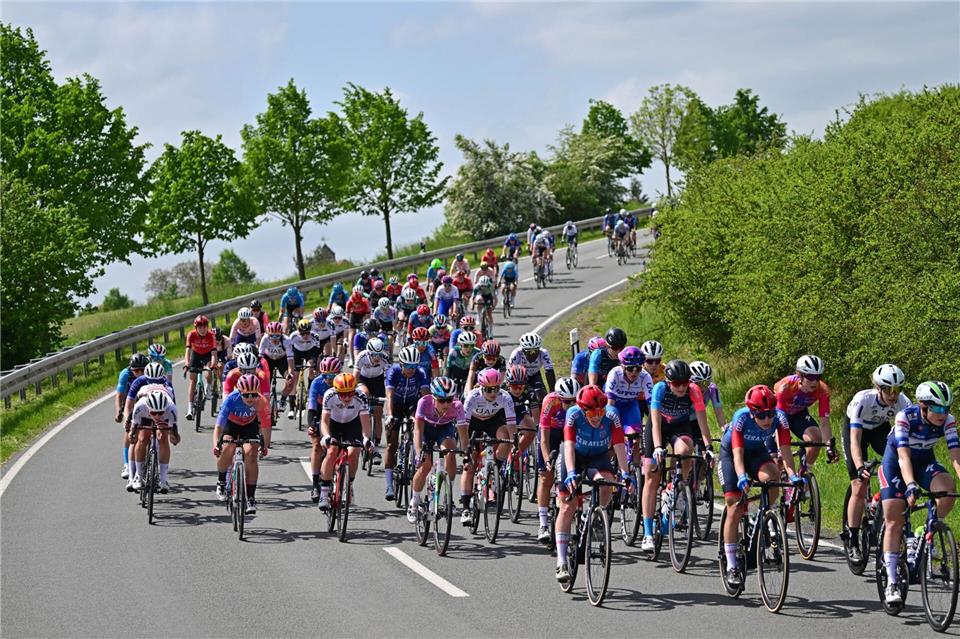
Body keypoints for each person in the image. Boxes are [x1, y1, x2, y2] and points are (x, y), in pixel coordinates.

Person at [880, 381, 958, 604]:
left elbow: (955, 457)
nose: (944, 414)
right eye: (939, 409)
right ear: (923, 406)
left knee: (947, 489)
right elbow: (904, 457)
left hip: (924, 462)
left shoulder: (948, 422)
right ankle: (892, 581)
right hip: (896, 463)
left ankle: (924, 531)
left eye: (947, 408)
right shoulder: (905, 417)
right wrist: (911, 485)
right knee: (894, 519)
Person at [718, 385, 801, 589]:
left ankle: (762, 513)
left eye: (770, 414)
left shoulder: (780, 419)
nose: (767, 420)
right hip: (731, 455)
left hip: (756, 454)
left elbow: (785, 451)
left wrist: (793, 475)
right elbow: (737, 454)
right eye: (762, 415)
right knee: (735, 506)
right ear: (752, 412)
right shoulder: (741, 418)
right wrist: (741, 477)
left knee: (773, 477)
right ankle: (732, 566)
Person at [554, 384, 632, 583]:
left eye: (600, 411)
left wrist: (625, 473)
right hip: (574, 457)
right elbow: (569, 446)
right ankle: (562, 561)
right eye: (592, 413)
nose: (597, 416)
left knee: (606, 485)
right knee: (567, 505)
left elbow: (619, 445)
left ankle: (596, 518)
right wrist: (571, 473)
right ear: (583, 410)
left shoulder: (612, 415)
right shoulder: (573, 415)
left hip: (598, 457)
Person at [641, 359, 713, 552]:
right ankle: (647, 533)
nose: (681, 387)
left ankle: (675, 487)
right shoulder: (660, 389)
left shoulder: (694, 390)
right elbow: (655, 422)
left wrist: (708, 447)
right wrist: (657, 447)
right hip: (659, 427)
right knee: (651, 475)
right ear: (669, 381)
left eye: (684, 383)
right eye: (676, 383)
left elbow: (702, 423)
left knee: (685, 450)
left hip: (679, 425)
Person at [842, 364, 910, 563]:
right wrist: (860, 466)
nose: (893, 395)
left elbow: (907, 437)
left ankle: (882, 506)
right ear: (878, 388)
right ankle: (853, 539)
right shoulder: (862, 400)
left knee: (899, 462)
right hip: (856, 431)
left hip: (881, 429)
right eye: (888, 390)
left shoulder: (903, 403)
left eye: (897, 390)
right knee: (859, 485)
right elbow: (854, 440)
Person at [460, 369, 517, 525]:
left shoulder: (505, 397)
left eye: (496, 388)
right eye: (489, 389)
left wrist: (514, 443)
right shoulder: (473, 396)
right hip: (473, 422)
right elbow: (463, 426)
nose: (493, 393)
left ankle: (494, 470)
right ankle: (465, 508)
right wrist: (466, 448)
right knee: (469, 463)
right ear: (481, 387)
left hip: (493, 420)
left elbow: (511, 424)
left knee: (505, 439)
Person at [408, 377, 466, 523]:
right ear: (433, 397)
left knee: (451, 454)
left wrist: (466, 454)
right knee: (425, 465)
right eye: (441, 400)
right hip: (426, 430)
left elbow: (463, 434)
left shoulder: (458, 406)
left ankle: (448, 496)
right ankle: (414, 503)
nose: (446, 404)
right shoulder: (424, 402)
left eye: (449, 400)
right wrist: (419, 451)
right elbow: (418, 431)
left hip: (444, 428)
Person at [213, 374, 271, 514]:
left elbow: (266, 426)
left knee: (251, 454)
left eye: (253, 394)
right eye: (246, 395)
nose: (250, 398)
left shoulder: (261, 401)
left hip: (249, 426)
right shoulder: (231, 399)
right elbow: (219, 426)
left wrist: (265, 446)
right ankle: (221, 481)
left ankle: (251, 497)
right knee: (227, 447)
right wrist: (216, 444)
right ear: (240, 392)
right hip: (231, 425)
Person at [316, 373, 375, 510]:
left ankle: (349, 485)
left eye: (350, 393)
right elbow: (324, 421)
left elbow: (365, 421)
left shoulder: (360, 397)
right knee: (331, 451)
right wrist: (325, 436)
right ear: (336, 391)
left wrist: (366, 438)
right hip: (334, 424)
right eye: (342, 395)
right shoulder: (329, 395)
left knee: (354, 452)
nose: (347, 398)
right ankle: (324, 493)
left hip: (352, 424)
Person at [536, 377, 580, 543]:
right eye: (566, 401)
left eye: (573, 401)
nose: (570, 404)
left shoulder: (579, 403)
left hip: (569, 432)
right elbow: (544, 437)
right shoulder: (550, 401)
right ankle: (543, 524)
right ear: (559, 398)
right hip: (552, 432)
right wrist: (547, 459)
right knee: (546, 477)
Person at [383, 346, 431, 500]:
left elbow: (425, 398)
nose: (411, 370)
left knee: (416, 424)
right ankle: (389, 485)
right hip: (395, 406)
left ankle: (410, 451)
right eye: (408, 366)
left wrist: (426, 416)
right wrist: (390, 415)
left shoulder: (421, 373)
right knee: (391, 445)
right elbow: (389, 396)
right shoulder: (393, 371)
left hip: (412, 405)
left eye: (414, 366)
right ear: (401, 364)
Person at [773, 355, 839, 466]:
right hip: (777, 416)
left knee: (816, 438)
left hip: (798, 414)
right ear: (800, 376)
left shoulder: (823, 390)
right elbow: (780, 418)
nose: (815, 382)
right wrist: (781, 448)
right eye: (810, 377)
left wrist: (829, 447)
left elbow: (824, 422)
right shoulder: (785, 386)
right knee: (778, 462)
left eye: (818, 377)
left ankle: (804, 471)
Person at [604, 346, 652, 461]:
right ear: (622, 366)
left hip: (630, 406)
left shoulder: (645, 377)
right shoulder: (614, 374)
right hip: (613, 404)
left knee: (635, 440)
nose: (634, 372)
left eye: (638, 368)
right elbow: (610, 405)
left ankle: (635, 473)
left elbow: (652, 406)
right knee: (609, 443)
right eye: (630, 368)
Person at [127, 390, 180, 494]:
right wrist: (132, 435)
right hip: (144, 417)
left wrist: (174, 437)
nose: (157, 416)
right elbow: (134, 429)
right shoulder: (140, 406)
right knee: (142, 439)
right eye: (154, 413)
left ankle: (163, 479)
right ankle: (138, 475)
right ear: (148, 408)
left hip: (165, 419)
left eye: (160, 413)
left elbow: (174, 433)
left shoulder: (171, 408)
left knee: (163, 438)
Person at [306, 357, 342, 502]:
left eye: (332, 376)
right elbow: (312, 406)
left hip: (338, 414)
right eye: (325, 375)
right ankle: (315, 484)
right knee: (316, 446)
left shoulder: (344, 381)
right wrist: (311, 425)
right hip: (320, 412)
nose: (328, 379)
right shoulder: (317, 383)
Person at [508, 332, 556, 421]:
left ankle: (542, 420)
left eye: (535, 351)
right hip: (520, 377)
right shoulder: (516, 353)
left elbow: (549, 372)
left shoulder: (544, 353)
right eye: (529, 352)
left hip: (535, 374)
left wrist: (552, 392)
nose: (532, 354)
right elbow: (511, 373)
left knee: (541, 395)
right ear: (523, 350)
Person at [184, 315, 218, 421]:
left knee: (208, 372)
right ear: (196, 328)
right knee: (192, 380)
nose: (202, 329)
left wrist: (213, 364)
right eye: (200, 327)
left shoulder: (211, 335)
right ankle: (189, 408)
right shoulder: (191, 335)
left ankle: (208, 388)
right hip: (196, 354)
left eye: (204, 327)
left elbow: (213, 353)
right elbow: (188, 351)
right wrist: (186, 364)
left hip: (208, 354)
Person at [286, 318, 321, 418]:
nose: (305, 336)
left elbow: (317, 353)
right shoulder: (293, 336)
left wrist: (315, 366)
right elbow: (289, 351)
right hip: (297, 353)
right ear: (298, 331)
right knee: (294, 377)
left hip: (310, 352)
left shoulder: (315, 336)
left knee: (311, 367)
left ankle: (310, 389)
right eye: (302, 333)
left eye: (307, 333)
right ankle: (291, 408)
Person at [259, 322, 295, 406]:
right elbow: (260, 357)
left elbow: (290, 359)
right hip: (268, 360)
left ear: (281, 334)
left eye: (277, 336)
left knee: (290, 381)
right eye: (272, 336)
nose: (274, 339)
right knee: (263, 380)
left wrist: (290, 373)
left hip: (282, 360)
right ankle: (264, 400)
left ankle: (283, 399)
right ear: (268, 334)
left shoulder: (287, 340)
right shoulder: (265, 339)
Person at [690, 360, 725, 430]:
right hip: (680, 422)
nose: (703, 387)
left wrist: (725, 430)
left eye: (706, 383)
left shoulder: (712, 388)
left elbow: (719, 414)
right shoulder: (684, 389)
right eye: (698, 383)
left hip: (697, 421)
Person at [345, 286, 371, 361]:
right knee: (352, 333)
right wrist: (350, 325)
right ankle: (351, 356)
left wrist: (364, 324)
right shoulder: (349, 302)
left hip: (363, 314)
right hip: (354, 315)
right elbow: (347, 315)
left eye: (358, 302)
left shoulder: (365, 301)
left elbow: (368, 315)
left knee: (366, 331)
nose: (357, 304)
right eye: (355, 303)